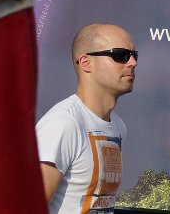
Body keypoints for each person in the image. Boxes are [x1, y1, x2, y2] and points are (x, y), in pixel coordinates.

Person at [36, 23, 138, 214]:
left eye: (134, 55)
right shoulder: (63, 124)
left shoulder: (118, 126)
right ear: (86, 63)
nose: (132, 62)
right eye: (120, 55)